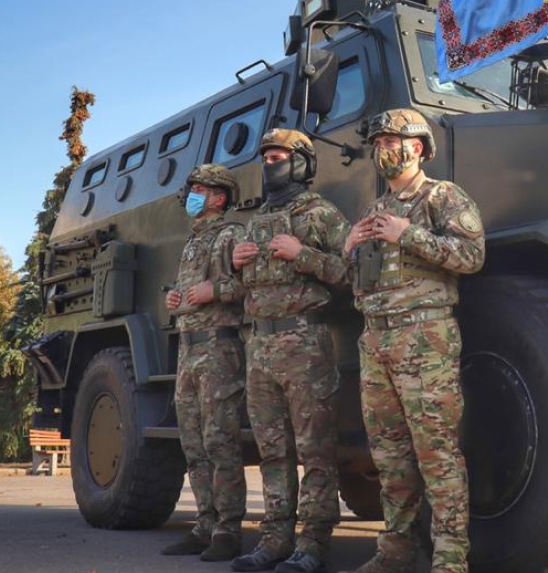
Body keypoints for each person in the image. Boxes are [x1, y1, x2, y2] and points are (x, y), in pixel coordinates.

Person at [341, 109, 485, 573]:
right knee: (389, 457)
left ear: (418, 147)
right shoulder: (371, 211)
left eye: (391, 140)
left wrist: (410, 234)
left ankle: (450, 560)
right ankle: (396, 552)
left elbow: (471, 255)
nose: (382, 149)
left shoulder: (442, 196)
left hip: (424, 336)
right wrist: (347, 250)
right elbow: (360, 282)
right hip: (376, 341)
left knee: (436, 453)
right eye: (378, 142)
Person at [229, 129, 350, 573]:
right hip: (259, 347)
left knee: (315, 450)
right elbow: (251, 289)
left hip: (305, 345)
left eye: (278, 156)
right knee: (272, 451)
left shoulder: (320, 214)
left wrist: (304, 255)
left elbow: (354, 272)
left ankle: (313, 544)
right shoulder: (255, 221)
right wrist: (239, 267)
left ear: (300, 163)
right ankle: (274, 539)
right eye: (266, 158)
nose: (270, 164)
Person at [161, 164, 248, 562]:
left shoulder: (231, 235)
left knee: (220, 441)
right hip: (188, 349)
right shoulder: (193, 241)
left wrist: (217, 289)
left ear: (219, 197)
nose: (192, 194)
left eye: (200, 188)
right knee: (193, 443)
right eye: (191, 188)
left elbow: (251, 283)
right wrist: (175, 302)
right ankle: (205, 525)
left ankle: (228, 531)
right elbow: (187, 294)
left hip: (218, 348)